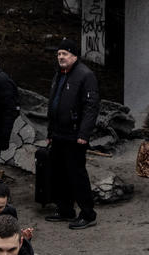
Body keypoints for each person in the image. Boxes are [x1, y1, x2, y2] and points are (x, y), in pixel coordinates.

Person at [44, 38, 100, 230]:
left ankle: (87, 213)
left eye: (64, 54)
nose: (60, 57)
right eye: (59, 54)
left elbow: (91, 107)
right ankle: (65, 209)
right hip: (59, 133)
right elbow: (54, 103)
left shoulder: (85, 75)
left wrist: (84, 133)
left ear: (74, 56)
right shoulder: (60, 73)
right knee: (59, 173)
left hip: (75, 134)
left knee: (76, 174)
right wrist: (50, 131)